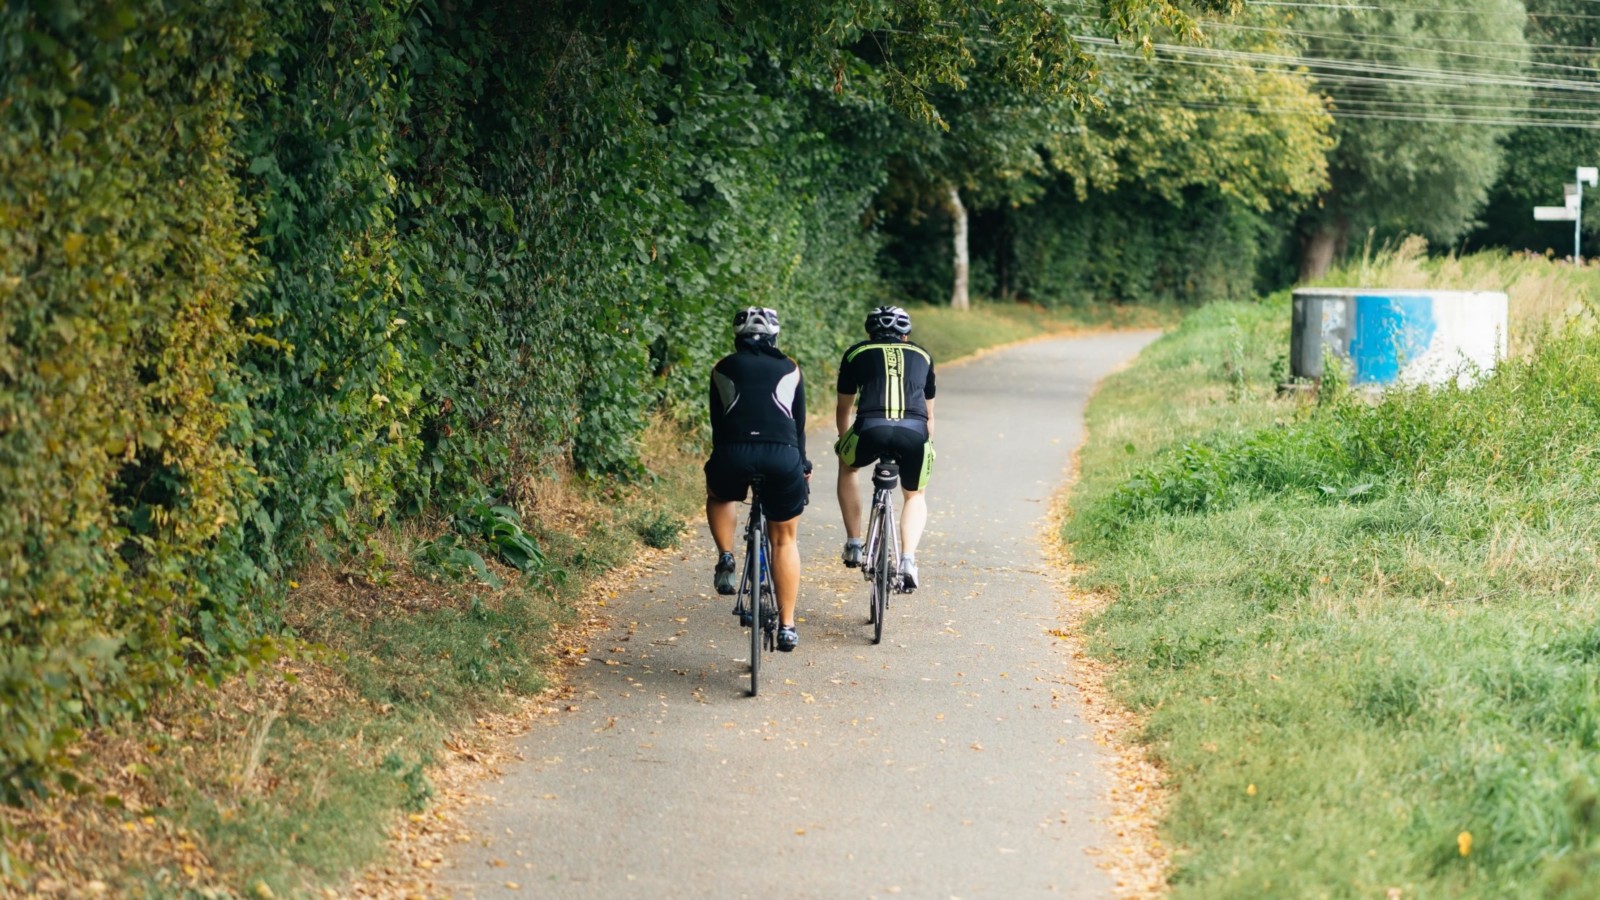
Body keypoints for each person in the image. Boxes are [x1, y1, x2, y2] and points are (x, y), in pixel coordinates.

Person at [704, 306, 813, 652]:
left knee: (720, 494)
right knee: (784, 540)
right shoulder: (791, 368)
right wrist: (803, 464)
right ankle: (787, 625)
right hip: (782, 456)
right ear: (774, 337)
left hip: (733, 452)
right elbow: (797, 426)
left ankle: (726, 556)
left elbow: (717, 423)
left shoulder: (721, 367)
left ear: (737, 337)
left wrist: (724, 458)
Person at [833, 304, 935, 590]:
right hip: (914, 432)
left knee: (848, 467)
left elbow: (844, 409)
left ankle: (854, 542)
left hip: (870, 429)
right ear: (906, 335)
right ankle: (908, 560)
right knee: (915, 494)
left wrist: (844, 444)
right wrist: (927, 445)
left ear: (870, 333)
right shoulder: (923, 355)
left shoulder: (855, 352)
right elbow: (930, 415)